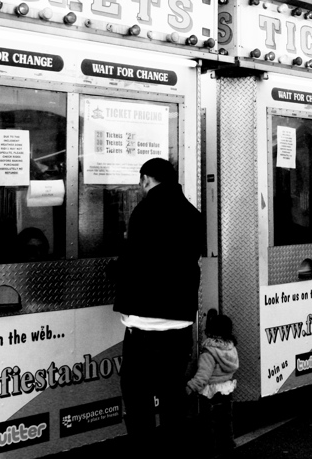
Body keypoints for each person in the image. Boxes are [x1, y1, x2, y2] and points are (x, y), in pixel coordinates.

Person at [114, 158, 206, 451]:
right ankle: (175, 450)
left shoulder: (144, 211)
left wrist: (112, 271)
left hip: (144, 325)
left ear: (146, 179)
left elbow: (133, 261)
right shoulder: (193, 214)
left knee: (137, 395)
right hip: (180, 323)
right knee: (172, 394)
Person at [187, 309, 240, 455]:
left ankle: (211, 449)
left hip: (211, 393)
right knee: (226, 420)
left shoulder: (209, 352)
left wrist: (190, 387)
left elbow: (203, 377)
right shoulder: (231, 347)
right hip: (227, 389)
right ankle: (228, 444)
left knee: (210, 422)